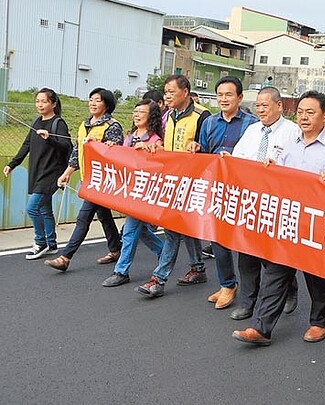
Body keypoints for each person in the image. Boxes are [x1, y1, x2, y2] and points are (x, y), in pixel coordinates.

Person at [232, 90, 325, 346]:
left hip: (317, 221)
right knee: (275, 271)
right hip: (288, 218)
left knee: (316, 275)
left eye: (311, 112)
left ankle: (319, 322)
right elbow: (278, 176)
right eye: (301, 112)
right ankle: (262, 328)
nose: (304, 117)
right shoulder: (290, 141)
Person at [226, 86, 300, 320]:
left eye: (265, 106)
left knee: (272, 257)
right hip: (250, 201)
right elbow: (238, 160)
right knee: (246, 254)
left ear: (279, 105)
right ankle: (248, 302)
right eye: (257, 106)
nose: (260, 110)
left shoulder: (292, 132)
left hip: (276, 203)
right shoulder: (252, 130)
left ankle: (288, 287)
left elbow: (297, 169)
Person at [134, 75, 209, 298]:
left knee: (173, 229)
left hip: (192, 182)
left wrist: (199, 146)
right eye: (165, 92)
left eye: (171, 91)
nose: (166, 96)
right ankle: (198, 268)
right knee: (183, 227)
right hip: (171, 181)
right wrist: (154, 146)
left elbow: (208, 149)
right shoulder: (168, 116)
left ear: (185, 92)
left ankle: (159, 278)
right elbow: (161, 142)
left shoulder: (201, 116)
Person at [194, 75, 258, 309]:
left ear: (240, 97)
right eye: (220, 95)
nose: (223, 99)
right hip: (218, 190)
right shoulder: (209, 122)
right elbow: (204, 156)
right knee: (217, 239)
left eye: (229, 94)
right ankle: (227, 284)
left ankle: (253, 291)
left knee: (246, 243)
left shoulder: (252, 124)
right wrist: (196, 148)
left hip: (245, 191)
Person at [45, 88, 123, 271]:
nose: (93, 103)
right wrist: (67, 173)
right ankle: (116, 249)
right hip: (88, 178)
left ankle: (65, 257)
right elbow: (77, 152)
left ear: (107, 104)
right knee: (104, 216)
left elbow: (117, 155)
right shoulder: (84, 125)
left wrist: (107, 147)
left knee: (83, 218)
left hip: (102, 181)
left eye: (98, 100)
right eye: (91, 99)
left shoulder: (112, 126)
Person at [102, 99, 165, 287]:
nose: (137, 115)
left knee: (129, 230)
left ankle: (121, 271)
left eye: (142, 112)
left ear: (151, 117)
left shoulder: (155, 140)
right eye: (135, 111)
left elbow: (160, 162)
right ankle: (164, 251)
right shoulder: (130, 136)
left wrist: (148, 151)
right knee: (141, 230)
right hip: (130, 190)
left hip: (144, 192)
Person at [4, 88, 72, 259]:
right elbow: (26, 145)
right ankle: (51, 243)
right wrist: (12, 164)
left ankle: (40, 242)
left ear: (53, 104)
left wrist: (49, 138)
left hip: (52, 173)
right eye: (37, 101)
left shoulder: (58, 123)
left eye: (44, 101)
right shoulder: (36, 122)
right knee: (44, 209)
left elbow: (66, 146)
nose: (40, 104)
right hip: (37, 171)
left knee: (32, 208)